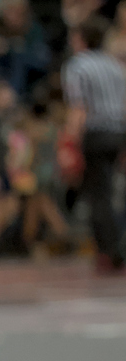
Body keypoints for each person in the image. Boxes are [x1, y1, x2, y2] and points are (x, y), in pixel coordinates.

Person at [62, 15, 126, 272]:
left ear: (81, 39)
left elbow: (79, 106)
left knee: (97, 194)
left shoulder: (78, 64)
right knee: (112, 191)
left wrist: (69, 141)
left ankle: (109, 251)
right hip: (118, 131)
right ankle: (116, 246)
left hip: (95, 132)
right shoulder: (115, 65)